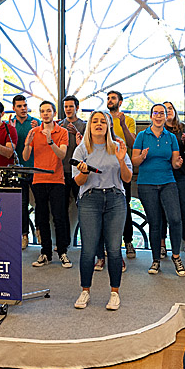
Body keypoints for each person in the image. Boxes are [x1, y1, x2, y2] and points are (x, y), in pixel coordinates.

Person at [72, 111, 133, 311]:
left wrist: (122, 160)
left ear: (108, 126)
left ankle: (115, 293)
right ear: (89, 126)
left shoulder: (118, 146)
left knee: (114, 249)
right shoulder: (81, 150)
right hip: (90, 199)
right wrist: (83, 172)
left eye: (103, 121)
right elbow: (79, 182)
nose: (99, 124)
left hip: (115, 198)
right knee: (88, 250)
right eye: (95, 121)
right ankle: (85, 291)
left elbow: (127, 178)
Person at [132, 103, 185, 277]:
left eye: (162, 113)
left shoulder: (171, 137)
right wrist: (142, 156)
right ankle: (156, 260)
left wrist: (177, 164)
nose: (159, 116)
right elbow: (134, 162)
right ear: (151, 116)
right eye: (155, 113)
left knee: (175, 219)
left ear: (166, 116)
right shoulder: (142, 135)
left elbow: (175, 162)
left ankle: (176, 256)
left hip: (167, 181)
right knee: (155, 223)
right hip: (147, 183)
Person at [23, 101, 70, 268]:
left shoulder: (62, 131)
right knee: (41, 218)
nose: (45, 114)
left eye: (48, 111)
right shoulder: (34, 131)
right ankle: (45, 253)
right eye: (42, 111)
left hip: (57, 180)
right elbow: (26, 156)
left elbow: (62, 154)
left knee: (59, 217)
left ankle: (63, 252)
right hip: (38, 180)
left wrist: (51, 141)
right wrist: (28, 143)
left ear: (54, 113)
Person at [106, 90, 137, 259]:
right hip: (105, 170)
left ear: (120, 101)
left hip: (123, 168)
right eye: (108, 98)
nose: (110, 101)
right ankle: (110, 245)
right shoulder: (103, 119)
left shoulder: (129, 120)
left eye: (113, 98)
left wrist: (123, 124)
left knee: (125, 207)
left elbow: (132, 143)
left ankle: (129, 241)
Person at [164, 101, 185, 260]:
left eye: (170, 109)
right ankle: (163, 246)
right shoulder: (157, 130)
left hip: (182, 175)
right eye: (164, 109)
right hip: (163, 174)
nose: (168, 112)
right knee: (163, 212)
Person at [11, 94, 40, 250]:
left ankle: (39, 229)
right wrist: (11, 128)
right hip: (19, 170)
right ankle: (24, 235)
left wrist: (38, 129)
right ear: (14, 107)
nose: (23, 108)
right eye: (20, 106)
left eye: (25, 105)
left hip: (35, 168)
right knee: (21, 204)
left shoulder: (35, 122)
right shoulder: (11, 124)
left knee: (39, 203)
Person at [59, 95, 87, 245]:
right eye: (66, 107)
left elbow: (88, 149)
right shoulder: (58, 126)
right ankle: (64, 242)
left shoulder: (84, 125)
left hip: (79, 172)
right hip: (62, 172)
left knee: (83, 207)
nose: (68, 109)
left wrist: (78, 135)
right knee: (62, 209)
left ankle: (87, 241)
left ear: (77, 107)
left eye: (71, 106)